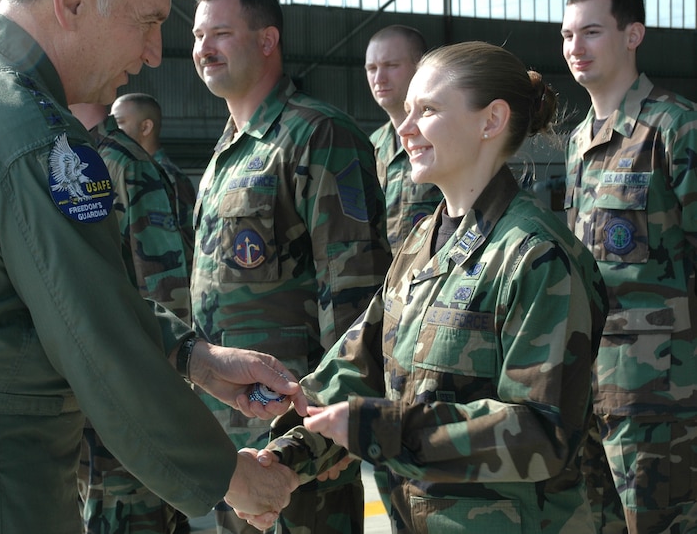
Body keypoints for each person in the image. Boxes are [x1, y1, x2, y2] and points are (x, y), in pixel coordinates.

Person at [0, 0, 305, 533]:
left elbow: (31, 297)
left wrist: (192, 356)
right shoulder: (34, 139)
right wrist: (232, 476)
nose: (155, 53)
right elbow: (93, 336)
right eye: (148, 21)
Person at [245, 41, 610, 533]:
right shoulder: (423, 241)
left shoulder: (536, 255)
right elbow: (359, 364)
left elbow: (542, 433)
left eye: (429, 110)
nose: (405, 127)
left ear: (490, 121)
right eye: (408, 110)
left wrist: (386, 431)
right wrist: (282, 458)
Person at [190, 0, 392, 534]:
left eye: (221, 33)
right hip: (233, 441)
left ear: (266, 40)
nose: (204, 48)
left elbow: (357, 296)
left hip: (298, 439)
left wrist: (336, 427)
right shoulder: (226, 153)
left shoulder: (318, 135)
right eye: (198, 35)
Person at [561, 0, 697, 533]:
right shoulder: (578, 141)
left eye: (592, 32)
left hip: (663, 393)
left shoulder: (675, 126)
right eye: (567, 35)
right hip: (593, 388)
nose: (576, 47)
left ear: (633, 34)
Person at [71, 100, 194, 534]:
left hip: (123, 402)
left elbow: (168, 293)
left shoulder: (124, 164)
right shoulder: (63, 153)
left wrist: (158, 398)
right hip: (77, 408)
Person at [364, 25, 443, 254]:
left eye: (391, 66)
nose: (379, 78)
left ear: (420, 66)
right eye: (371, 68)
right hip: (386, 284)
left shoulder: (443, 137)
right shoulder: (372, 144)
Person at [112, 92, 196, 273]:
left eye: (119, 122)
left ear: (145, 127)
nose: (113, 131)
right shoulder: (132, 171)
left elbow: (175, 252)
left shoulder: (166, 177)